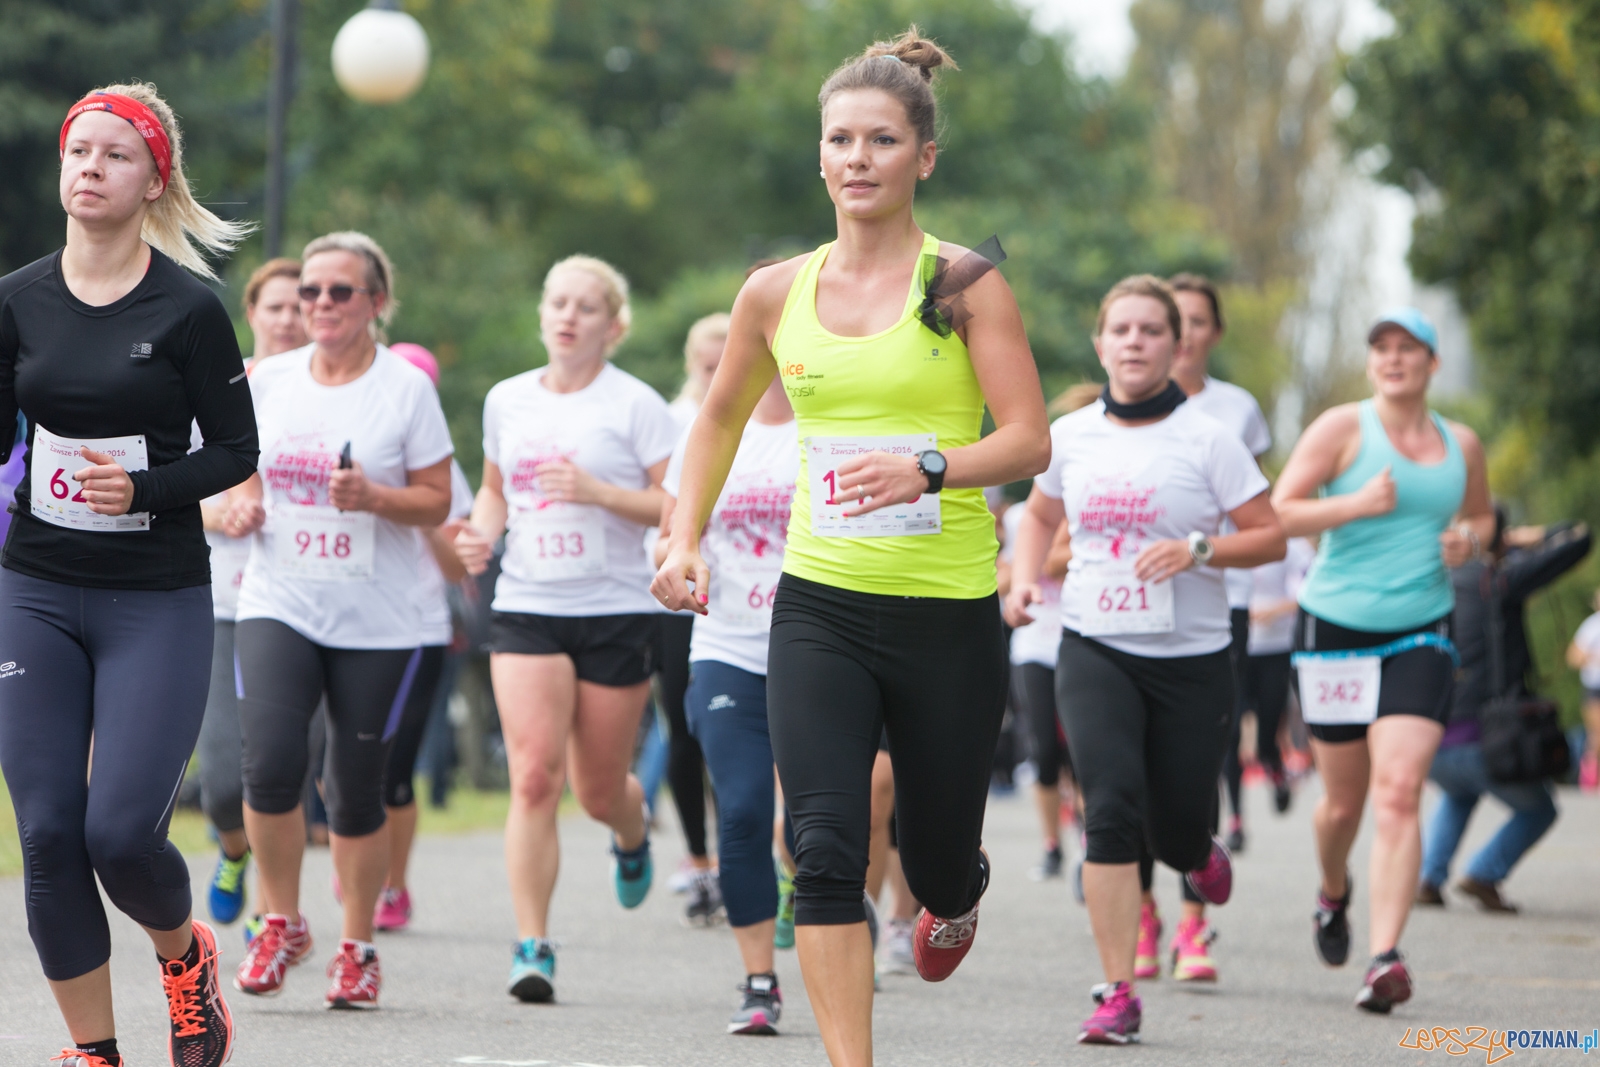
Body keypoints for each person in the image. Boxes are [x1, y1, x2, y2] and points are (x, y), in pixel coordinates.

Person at [655, 28, 1051, 1066]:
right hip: (820, 602)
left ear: (925, 157)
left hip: (948, 609)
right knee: (823, 849)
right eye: (841, 139)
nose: (859, 157)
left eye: (882, 139)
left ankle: (957, 890)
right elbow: (716, 418)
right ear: (820, 157)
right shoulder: (774, 291)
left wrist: (931, 466)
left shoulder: (962, 283)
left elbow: (1028, 439)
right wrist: (683, 532)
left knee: (934, 859)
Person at [0, 82, 258, 1067]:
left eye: (115, 155)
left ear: (154, 181)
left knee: (119, 833)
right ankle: (93, 1051)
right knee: (47, 830)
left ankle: (186, 959)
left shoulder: (188, 309)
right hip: (35, 587)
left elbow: (235, 450)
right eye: (79, 151)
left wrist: (144, 488)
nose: (91, 168)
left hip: (154, 595)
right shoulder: (17, 298)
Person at [1006, 274, 1285, 1044]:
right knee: (1109, 810)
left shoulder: (1209, 438)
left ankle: (1195, 849)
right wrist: (1025, 579)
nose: (1134, 341)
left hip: (1192, 656)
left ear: (1176, 344)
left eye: (1151, 330)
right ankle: (1116, 989)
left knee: (1173, 830)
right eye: (1120, 329)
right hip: (1094, 644)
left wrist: (1200, 549)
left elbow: (1270, 536)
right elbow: (1039, 516)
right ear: (1100, 343)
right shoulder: (1069, 435)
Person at [228, 231, 455, 1009]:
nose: (319, 304)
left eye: (339, 291)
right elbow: (236, 467)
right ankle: (281, 920)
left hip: (378, 620)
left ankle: (357, 945)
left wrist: (375, 498)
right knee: (268, 765)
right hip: (279, 599)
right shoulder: (269, 379)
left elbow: (438, 499)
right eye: (309, 291)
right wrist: (241, 502)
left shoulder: (405, 389)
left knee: (355, 789)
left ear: (376, 302)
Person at [454, 254, 676, 1004]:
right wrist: (480, 534)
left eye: (585, 306)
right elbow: (495, 491)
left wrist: (597, 491)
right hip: (528, 604)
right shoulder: (508, 399)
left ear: (613, 325)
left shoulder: (637, 404)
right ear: (543, 314)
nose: (568, 316)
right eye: (557, 302)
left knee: (598, 790)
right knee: (533, 776)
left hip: (614, 611)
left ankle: (631, 831)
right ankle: (533, 944)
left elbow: (676, 505)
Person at [1272, 306, 1493, 1013]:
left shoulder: (1461, 443)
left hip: (1422, 631)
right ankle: (1333, 890)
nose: (1393, 358)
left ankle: (1385, 957)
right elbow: (1279, 511)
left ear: (1432, 362)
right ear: (1371, 363)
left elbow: (1482, 516)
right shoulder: (1342, 428)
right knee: (1343, 803)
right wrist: (1356, 504)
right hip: (1335, 627)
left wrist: (1469, 539)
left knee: (1399, 790)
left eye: (1408, 348)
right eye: (1382, 348)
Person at [657, 360, 796, 1033]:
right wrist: (676, 562)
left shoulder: (836, 423)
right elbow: (669, 537)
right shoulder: (706, 430)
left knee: (812, 826)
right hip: (727, 645)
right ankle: (759, 980)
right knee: (741, 811)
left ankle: (823, 900)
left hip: (818, 647)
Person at [198, 256, 307, 928]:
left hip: (302, 610)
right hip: (224, 602)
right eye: (277, 306)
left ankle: (274, 917)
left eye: (301, 306)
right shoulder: (216, 383)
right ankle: (232, 849)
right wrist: (220, 513)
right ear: (253, 313)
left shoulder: (336, 392)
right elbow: (172, 480)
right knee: (221, 781)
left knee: (280, 772)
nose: (290, 318)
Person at [1418, 515, 1589, 910]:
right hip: (1487, 742)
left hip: (1431, 740)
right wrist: (1526, 537)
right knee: (1540, 810)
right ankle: (1483, 873)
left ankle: (1428, 877)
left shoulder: (1434, 583)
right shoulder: (1497, 580)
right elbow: (1579, 538)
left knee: (1459, 792)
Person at [369, 342, 475, 932]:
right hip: (348, 624)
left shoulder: (445, 471)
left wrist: (416, 510)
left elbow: (458, 569)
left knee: (394, 770)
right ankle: (362, 853)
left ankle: (394, 884)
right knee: (341, 767)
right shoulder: (354, 443)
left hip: (418, 630)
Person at [1169, 273, 1272, 856]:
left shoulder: (1237, 409)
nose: (1185, 334)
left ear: (1217, 332)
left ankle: (1208, 842)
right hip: (1134, 593)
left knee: (1212, 724)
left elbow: (1258, 508)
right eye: (1175, 319)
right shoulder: (1115, 406)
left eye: (1198, 321)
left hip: (1222, 592)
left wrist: (1202, 548)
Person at [659, 313, 729, 921]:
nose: (719, 374)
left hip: (745, 596)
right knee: (684, 728)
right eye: (709, 366)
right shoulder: (674, 421)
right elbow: (656, 513)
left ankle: (747, 853)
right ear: (692, 365)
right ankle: (700, 857)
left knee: (740, 734)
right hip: (677, 595)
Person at [1244, 536, 1318, 815]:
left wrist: (1272, 611)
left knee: (1268, 729)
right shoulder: (1224, 535)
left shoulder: (1294, 546)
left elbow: (1307, 594)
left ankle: (1275, 766)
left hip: (1277, 648)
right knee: (1232, 732)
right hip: (1237, 649)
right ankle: (1236, 819)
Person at [1566, 590, 1600, 792]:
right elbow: (1573, 657)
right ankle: (1590, 779)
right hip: (1595, 688)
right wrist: (1594, 658)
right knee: (1597, 735)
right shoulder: (1592, 626)